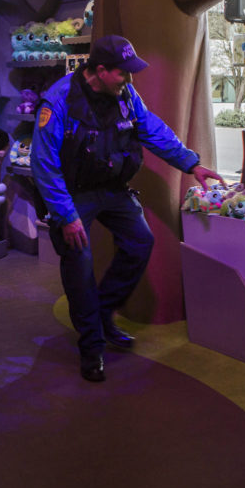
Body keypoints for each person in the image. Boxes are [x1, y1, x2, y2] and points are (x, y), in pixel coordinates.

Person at [31, 34, 223, 382]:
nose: (129, 79)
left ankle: (103, 314)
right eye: (122, 72)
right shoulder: (58, 100)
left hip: (113, 189)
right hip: (73, 196)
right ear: (100, 71)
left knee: (140, 242)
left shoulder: (126, 96)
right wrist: (66, 215)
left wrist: (192, 163)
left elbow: (153, 129)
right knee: (80, 263)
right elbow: (43, 164)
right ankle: (91, 347)